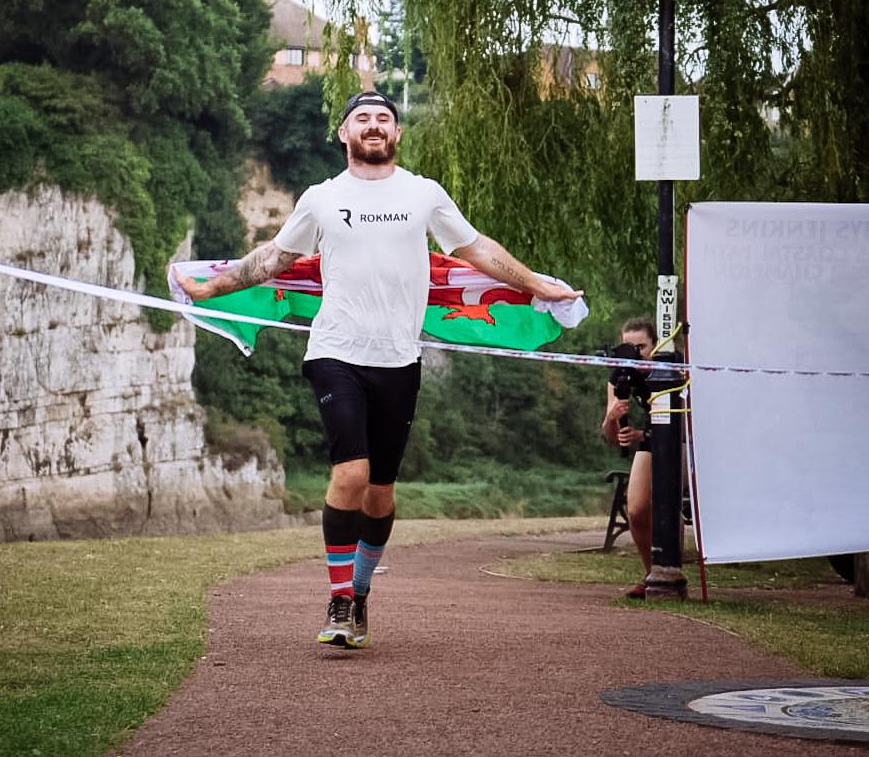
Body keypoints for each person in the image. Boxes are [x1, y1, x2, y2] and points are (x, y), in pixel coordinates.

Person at [177, 90, 583, 649]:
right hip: (335, 352)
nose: (374, 125)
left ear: (396, 135)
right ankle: (340, 601)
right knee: (351, 474)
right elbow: (276, 259)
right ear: (343, 133)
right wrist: (213, 287)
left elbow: (474, 250)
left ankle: (361, 591)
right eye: (362, 119)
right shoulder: (321, 198)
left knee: (382, 493)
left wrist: (536, 284)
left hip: (399, 360)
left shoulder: (423, 194)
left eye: (384, 119)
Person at [602, 317, 655, 599]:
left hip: (683, 440)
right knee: (635, 509)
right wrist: (614, 419)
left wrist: (642, 434)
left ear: (656, 346)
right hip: (650, 440)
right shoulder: (619, 375)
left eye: (641, 348)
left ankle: (670, 570)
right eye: (627, 348)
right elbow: (610, 434)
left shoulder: (673, 366)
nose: (634, 355)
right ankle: (652, 574)